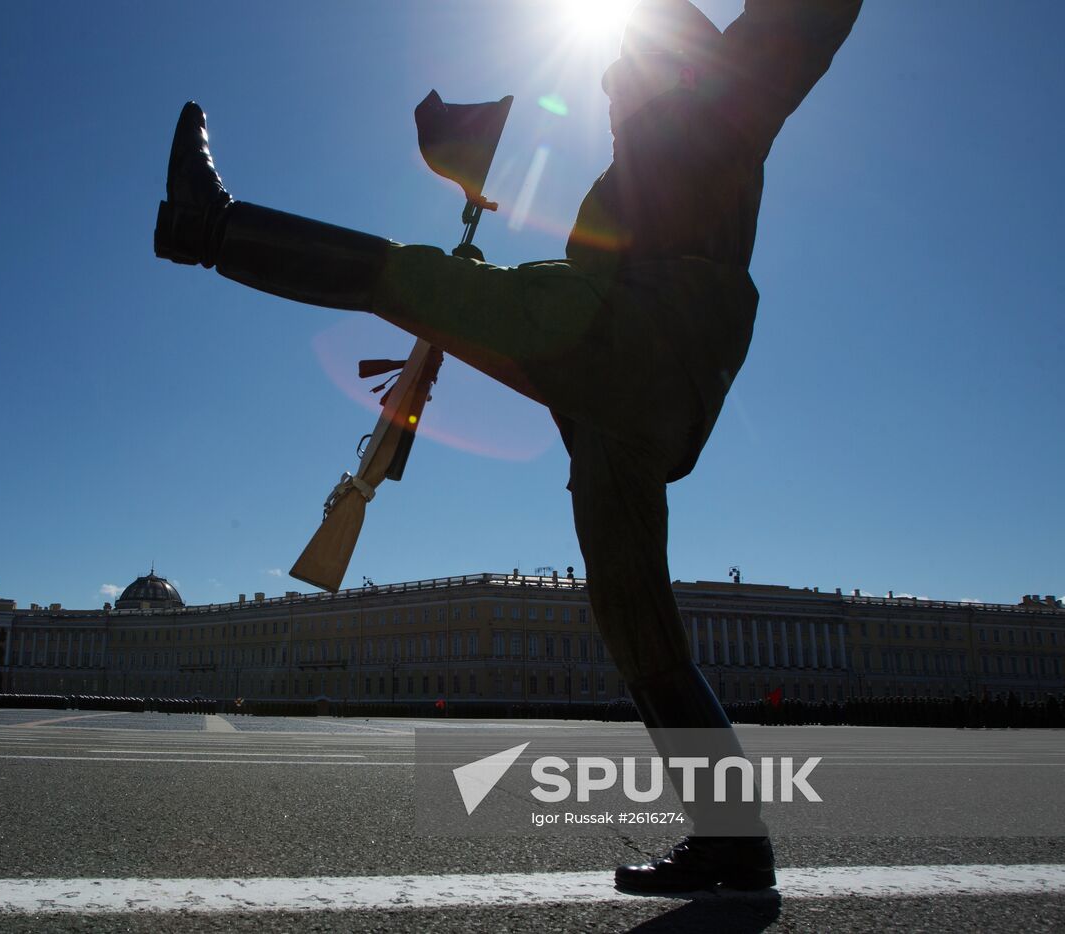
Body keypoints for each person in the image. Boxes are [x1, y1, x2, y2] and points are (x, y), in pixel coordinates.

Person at [154, 0, 861, 891]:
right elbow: (559, 297)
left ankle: (207, 224)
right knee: (636, 624)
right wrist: (473, 295)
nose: (611, 92)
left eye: (624, 72)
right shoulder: (623, 181)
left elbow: (804, 19)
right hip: (612, 395)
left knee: (400, 276)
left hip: (646, 341)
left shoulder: (730, 102)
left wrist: (456, 297)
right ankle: (735, 843)